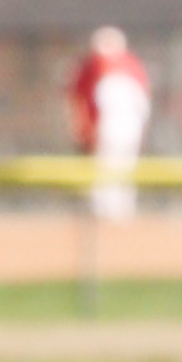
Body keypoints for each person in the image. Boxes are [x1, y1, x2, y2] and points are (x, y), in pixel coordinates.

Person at [67, 23, 151, 221]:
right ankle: (108, 209)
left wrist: (84, 125)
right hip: (113, 124)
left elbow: (141, 101)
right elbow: (80, 98)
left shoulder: (127, 65)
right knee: (108, 165)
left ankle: (117, 208)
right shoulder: (95, 66)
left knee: (118, 165)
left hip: (120, 124)